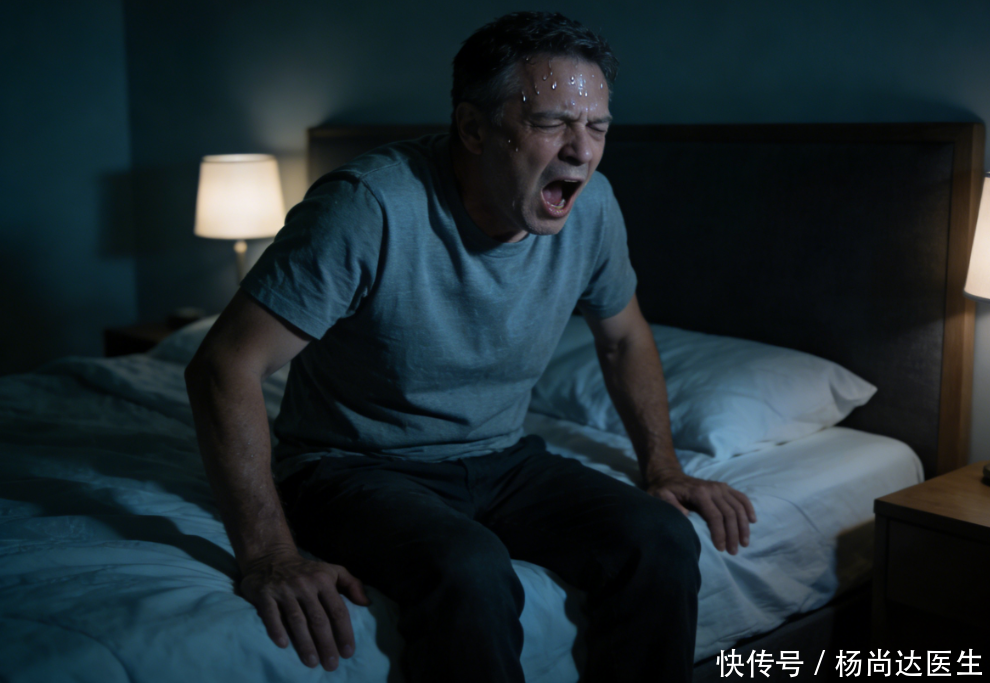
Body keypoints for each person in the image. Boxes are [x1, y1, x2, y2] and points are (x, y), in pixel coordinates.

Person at [185, 11, 756, 683]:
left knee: (660, 538)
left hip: (501, 457)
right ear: (474, 128)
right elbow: (224, 364)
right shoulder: (369, 205)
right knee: (472, 569)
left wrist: (663, 467)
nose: (582, 151)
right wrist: (268, 555)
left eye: (597, 126)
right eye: (551, 122)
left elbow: (623, 337)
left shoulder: (593, 207)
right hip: (351, 466)